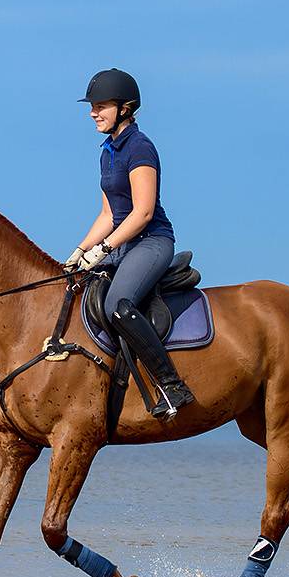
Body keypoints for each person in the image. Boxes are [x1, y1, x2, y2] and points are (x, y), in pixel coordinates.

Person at [63, 68, 196, 419]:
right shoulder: (107, 152)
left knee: (117, 305)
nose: (93, 112)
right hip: (122, 243)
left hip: (151, 241)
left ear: (125, 108)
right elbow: (108, 214)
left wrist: (102, 250)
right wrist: (78, 251)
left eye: (101, 105)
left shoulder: (139, 147)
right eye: (91, 105)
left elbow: (143, 212)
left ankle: (172, 386)